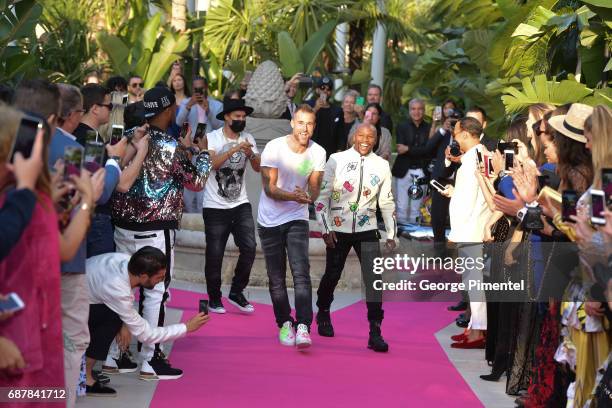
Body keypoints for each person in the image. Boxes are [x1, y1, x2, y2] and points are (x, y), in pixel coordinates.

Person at [111, 86, 211, 380]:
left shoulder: (130, 138)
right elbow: (197, 181)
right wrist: (203, 152)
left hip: (122, 226)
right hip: (155, 229)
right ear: (168, 111)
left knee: (121, 290)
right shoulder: (169, 146)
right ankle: (149, 360)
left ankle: (112, 356)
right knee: (156, 293)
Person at [315, 123, 396, 352]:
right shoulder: (336, 159)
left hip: (368, 228)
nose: (365, 140)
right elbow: (322, 197)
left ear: (376, 140)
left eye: (370, 136)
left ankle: (375, 331)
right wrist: (325, 227)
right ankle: (322, 311)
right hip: (338, 228)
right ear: (353, 137)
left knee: (374, 280)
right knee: (332, 274)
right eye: (361, 135)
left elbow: (386, 201)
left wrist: (391, 233)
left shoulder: (381, 165)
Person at [84, 247, 209, 396]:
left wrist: (125, 323)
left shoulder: (125, 261)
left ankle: (82, 369)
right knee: (110, 321)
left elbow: (120, 300)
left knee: (116, 317)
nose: (162, 281)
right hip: (64, 309)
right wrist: (186, 327)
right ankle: (84, 378)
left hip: (75, 294)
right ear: (143, 276)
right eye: (159, 277)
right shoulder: (117, 288)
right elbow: (146, 335)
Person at [257, 104, 326, 350]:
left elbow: (315, 186)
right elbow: (269, 189)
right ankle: (285, 322)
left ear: (314, 126)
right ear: (292, 123)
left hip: (297, 216)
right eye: (300, 122)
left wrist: (310, 197)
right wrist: (294, 197)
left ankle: (304, 326)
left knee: (301, 271)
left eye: (309, 124)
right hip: (270, 219)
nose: (304, 128)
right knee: (276, 276)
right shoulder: (274, 148)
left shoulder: (318, 152)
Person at [202, 98, 259, 313]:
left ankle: (236, 291)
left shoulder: (248, 138)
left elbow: (257, 167)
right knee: (215, 253)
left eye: (243, 117)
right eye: (237, 117)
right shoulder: (211, 138)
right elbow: (211, 165)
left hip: (240, 203)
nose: (241, 120)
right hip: (214, 206)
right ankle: (214, 297)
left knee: (250, 247)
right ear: (226, 117)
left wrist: (250, 154)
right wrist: (234, 151)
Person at [443, 117, 491, 349]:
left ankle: (478, 332)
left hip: (471, 228)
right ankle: (474, 327)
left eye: (456, 133)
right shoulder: (479, 154)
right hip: (475, 225)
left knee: (474, 283)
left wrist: (456, 232)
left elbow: (467, 201)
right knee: (474, 282)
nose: (454, 138)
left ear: (464, 134)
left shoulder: (473, 159)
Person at [391, 98, 431, 224]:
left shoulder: (429, 128)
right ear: (409, 111)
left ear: (424, 111)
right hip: (403, 170)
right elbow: (400, 150)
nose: (416, 112)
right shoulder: (402, 127)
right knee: (401, 204)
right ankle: (401, 232)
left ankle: (415, 231)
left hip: (422, 171)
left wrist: (409, 148)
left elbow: (429, 150)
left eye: (419, 109)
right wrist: (422, 149)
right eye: (413, 109)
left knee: (417, 205)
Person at [308, 76, 341, 159]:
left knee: (325, 172)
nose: (325, 91)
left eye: (328, 88)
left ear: (331, 92)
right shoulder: (309, 105)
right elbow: (304, 120)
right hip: (309, 151)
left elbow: (340, 134)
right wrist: (316, 108)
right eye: (322, 88)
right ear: (317, 90)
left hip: (329, 154)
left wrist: (339, 151)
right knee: (304, 171)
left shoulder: (337, 110)